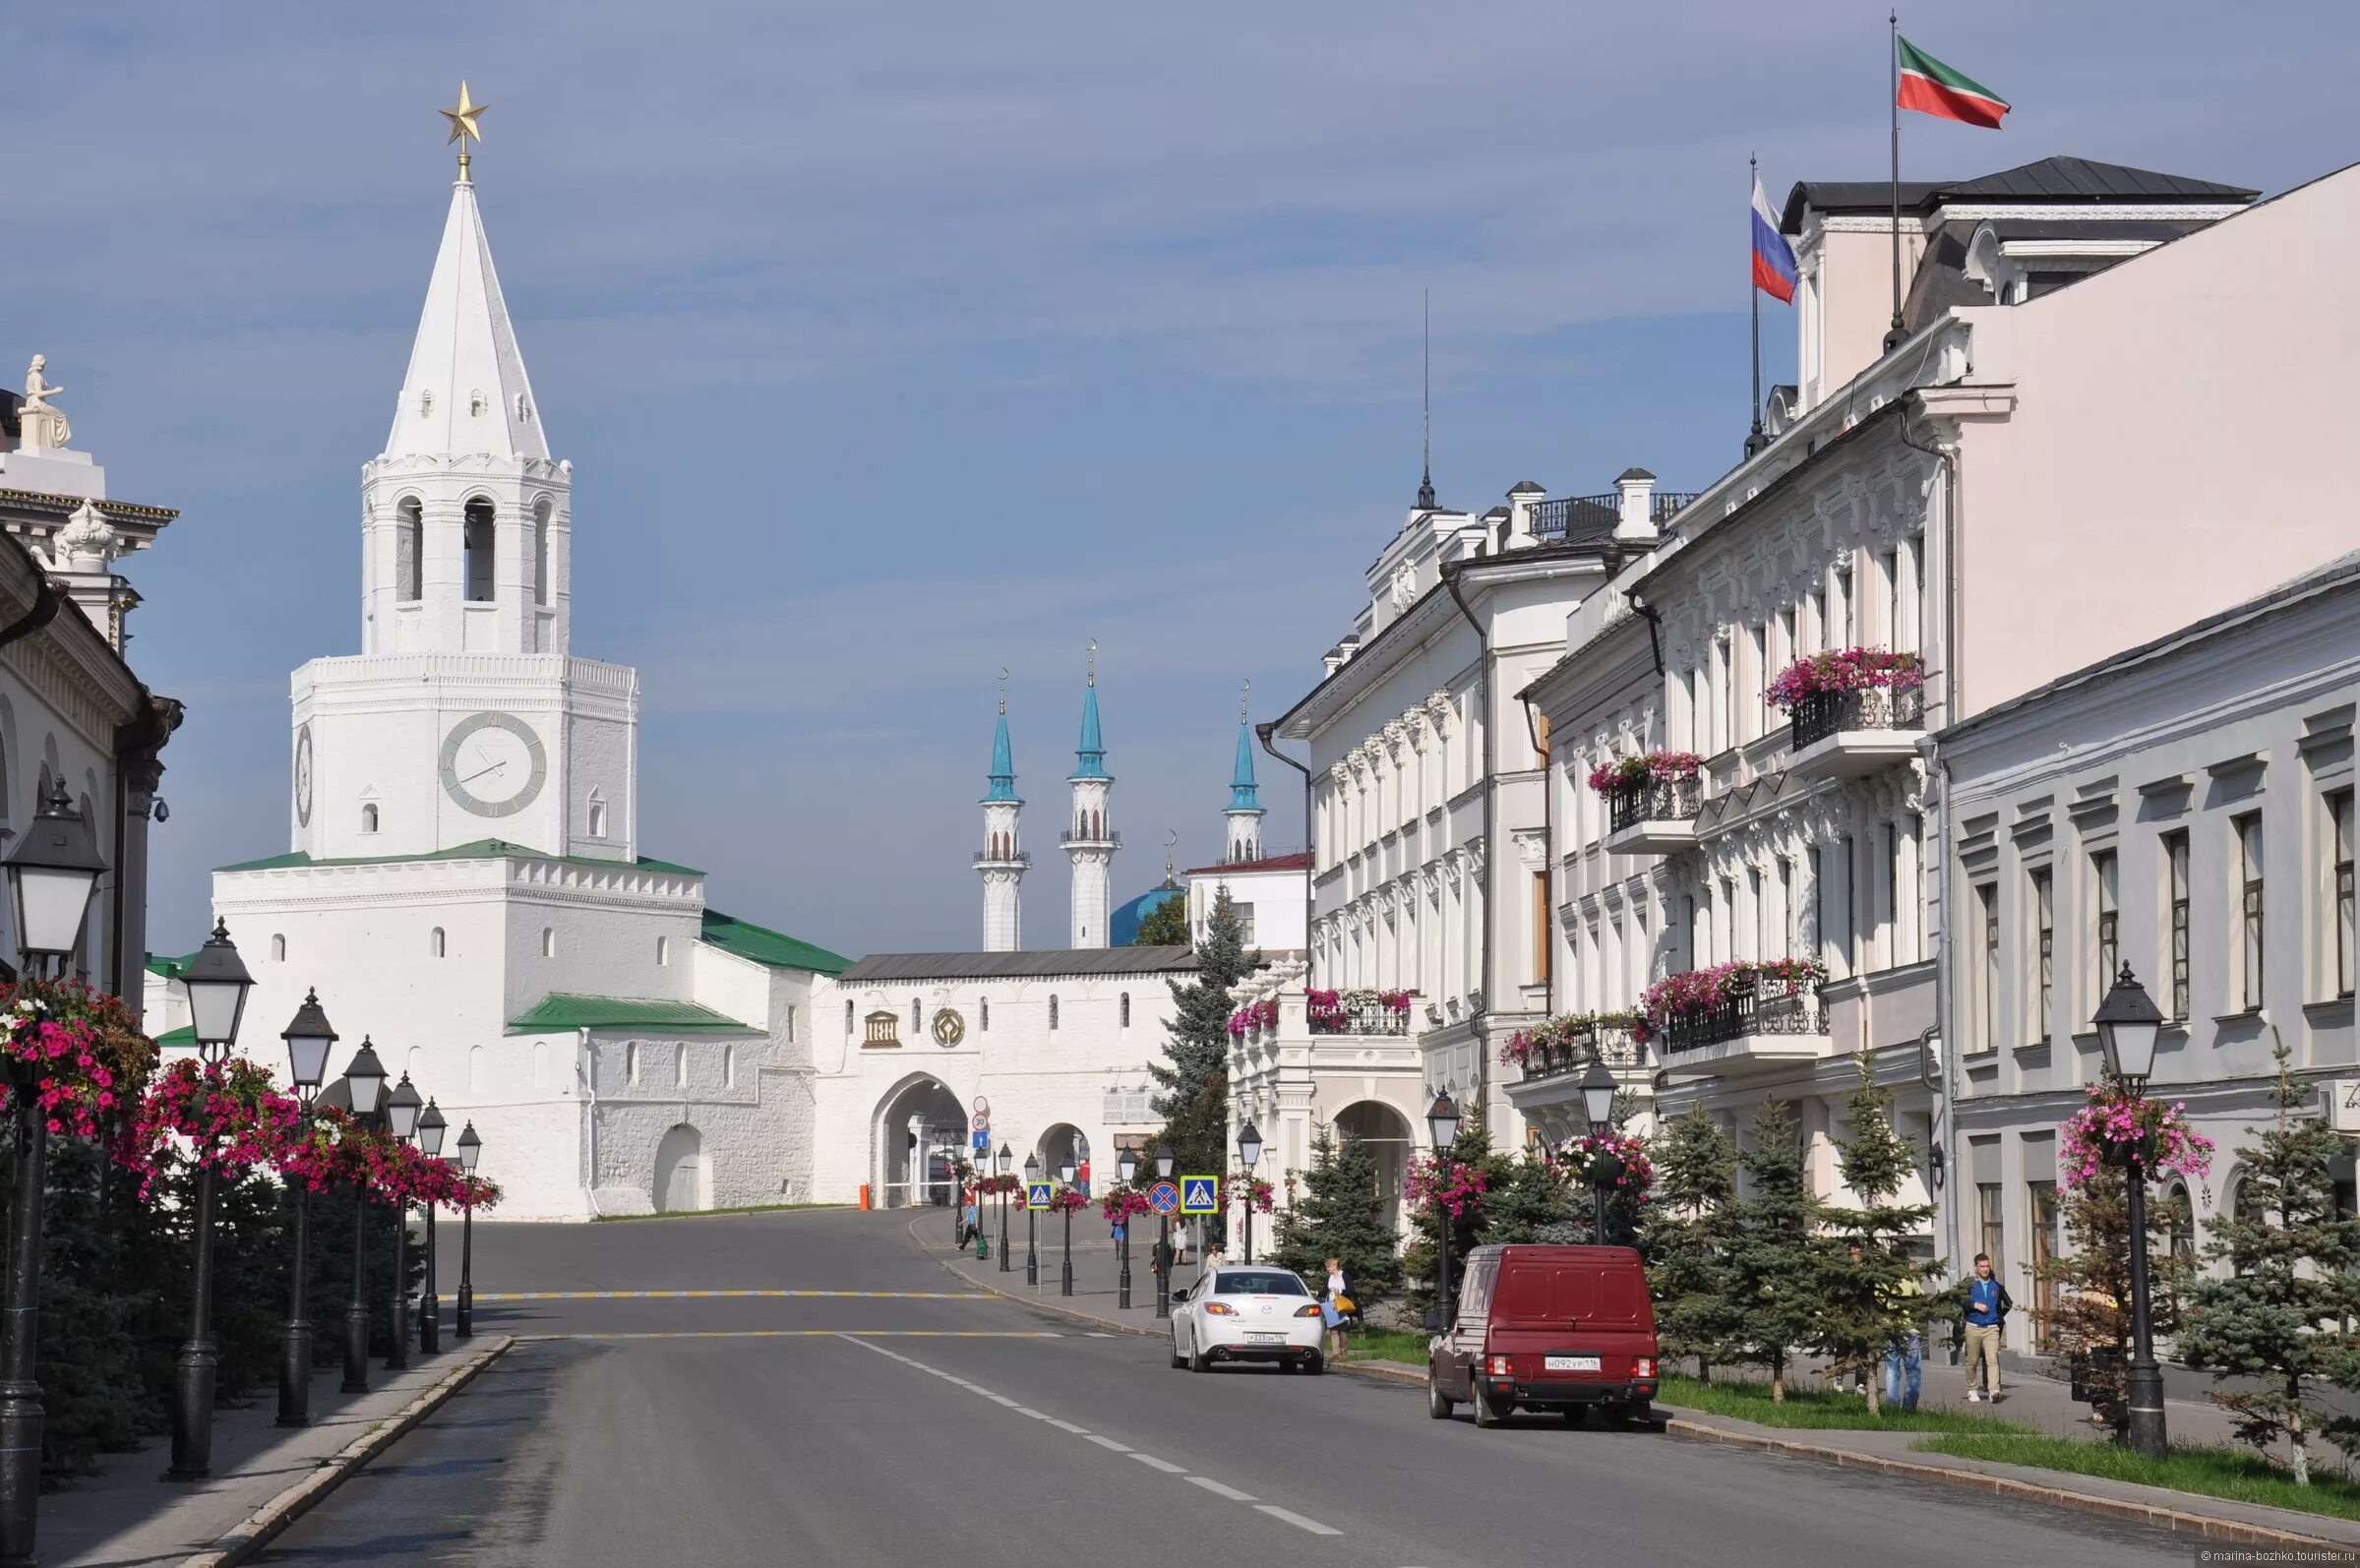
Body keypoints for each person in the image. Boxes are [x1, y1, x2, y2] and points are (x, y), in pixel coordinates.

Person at [1962, 1253, 2012, 1402]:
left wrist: (1998, 1316)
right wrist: (1975, 1305)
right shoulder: (1969, 1285)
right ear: (1976, 1267)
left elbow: (2008, 1303)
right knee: (1972, 1361)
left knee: (1992, 1360)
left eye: (1987, 1266)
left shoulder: (1996, 1286)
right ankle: (1972, 1388)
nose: (1985, 1269)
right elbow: (1962, 1302)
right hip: (1973, 1327)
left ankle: (1994, 1391)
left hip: (1991, 1328)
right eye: (1982, 1266)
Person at [1880, 1268, 1925, 1413]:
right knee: (1913, 1370)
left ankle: (1891, 1408)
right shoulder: (1910, 1277)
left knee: (1892, 1369)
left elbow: (1878, 1301)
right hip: (1909, 1328)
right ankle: (1909, 1408)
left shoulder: (1882, 1279)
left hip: (1889, 1328)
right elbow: (1921, 1298)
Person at [1321, 1257, 1353, 1362]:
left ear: (1334, 1266)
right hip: (1332, 1306)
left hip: (1341, 1306)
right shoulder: (1330, 1278)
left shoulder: (1344, 1276)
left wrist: (1340, 1292)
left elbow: (1351, 1289)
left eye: (1328, 1266)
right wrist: (1317, 1293)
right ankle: (1336, 1354)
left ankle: (1344, 1352)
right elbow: (1326, 1289)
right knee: (1333, 1330)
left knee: (1343, 1330)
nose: (1327, 1269)